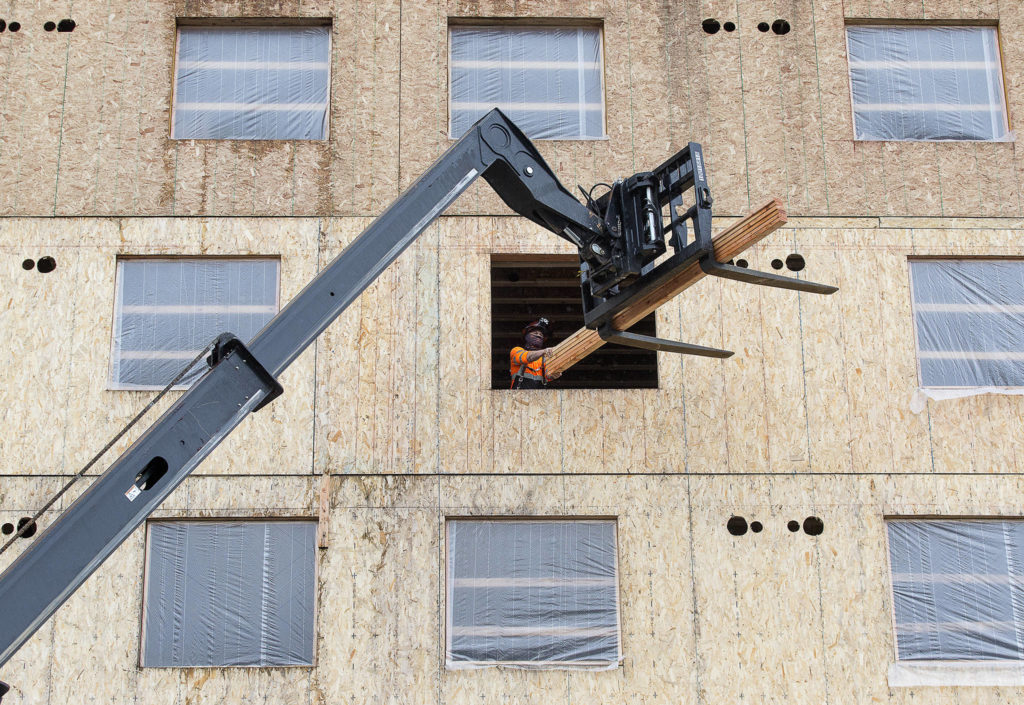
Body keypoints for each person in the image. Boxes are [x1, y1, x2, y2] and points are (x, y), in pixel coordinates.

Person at [510, 317, 561, 389]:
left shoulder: (544, 359)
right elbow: (527, 357)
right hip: (518, 397)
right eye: (535, 333)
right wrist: (544, 351)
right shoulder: (516, 351)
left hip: (539, 398)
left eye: (541, 334)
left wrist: (553, 375)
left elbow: (547, 377)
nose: (539, 335)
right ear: (526, 336)